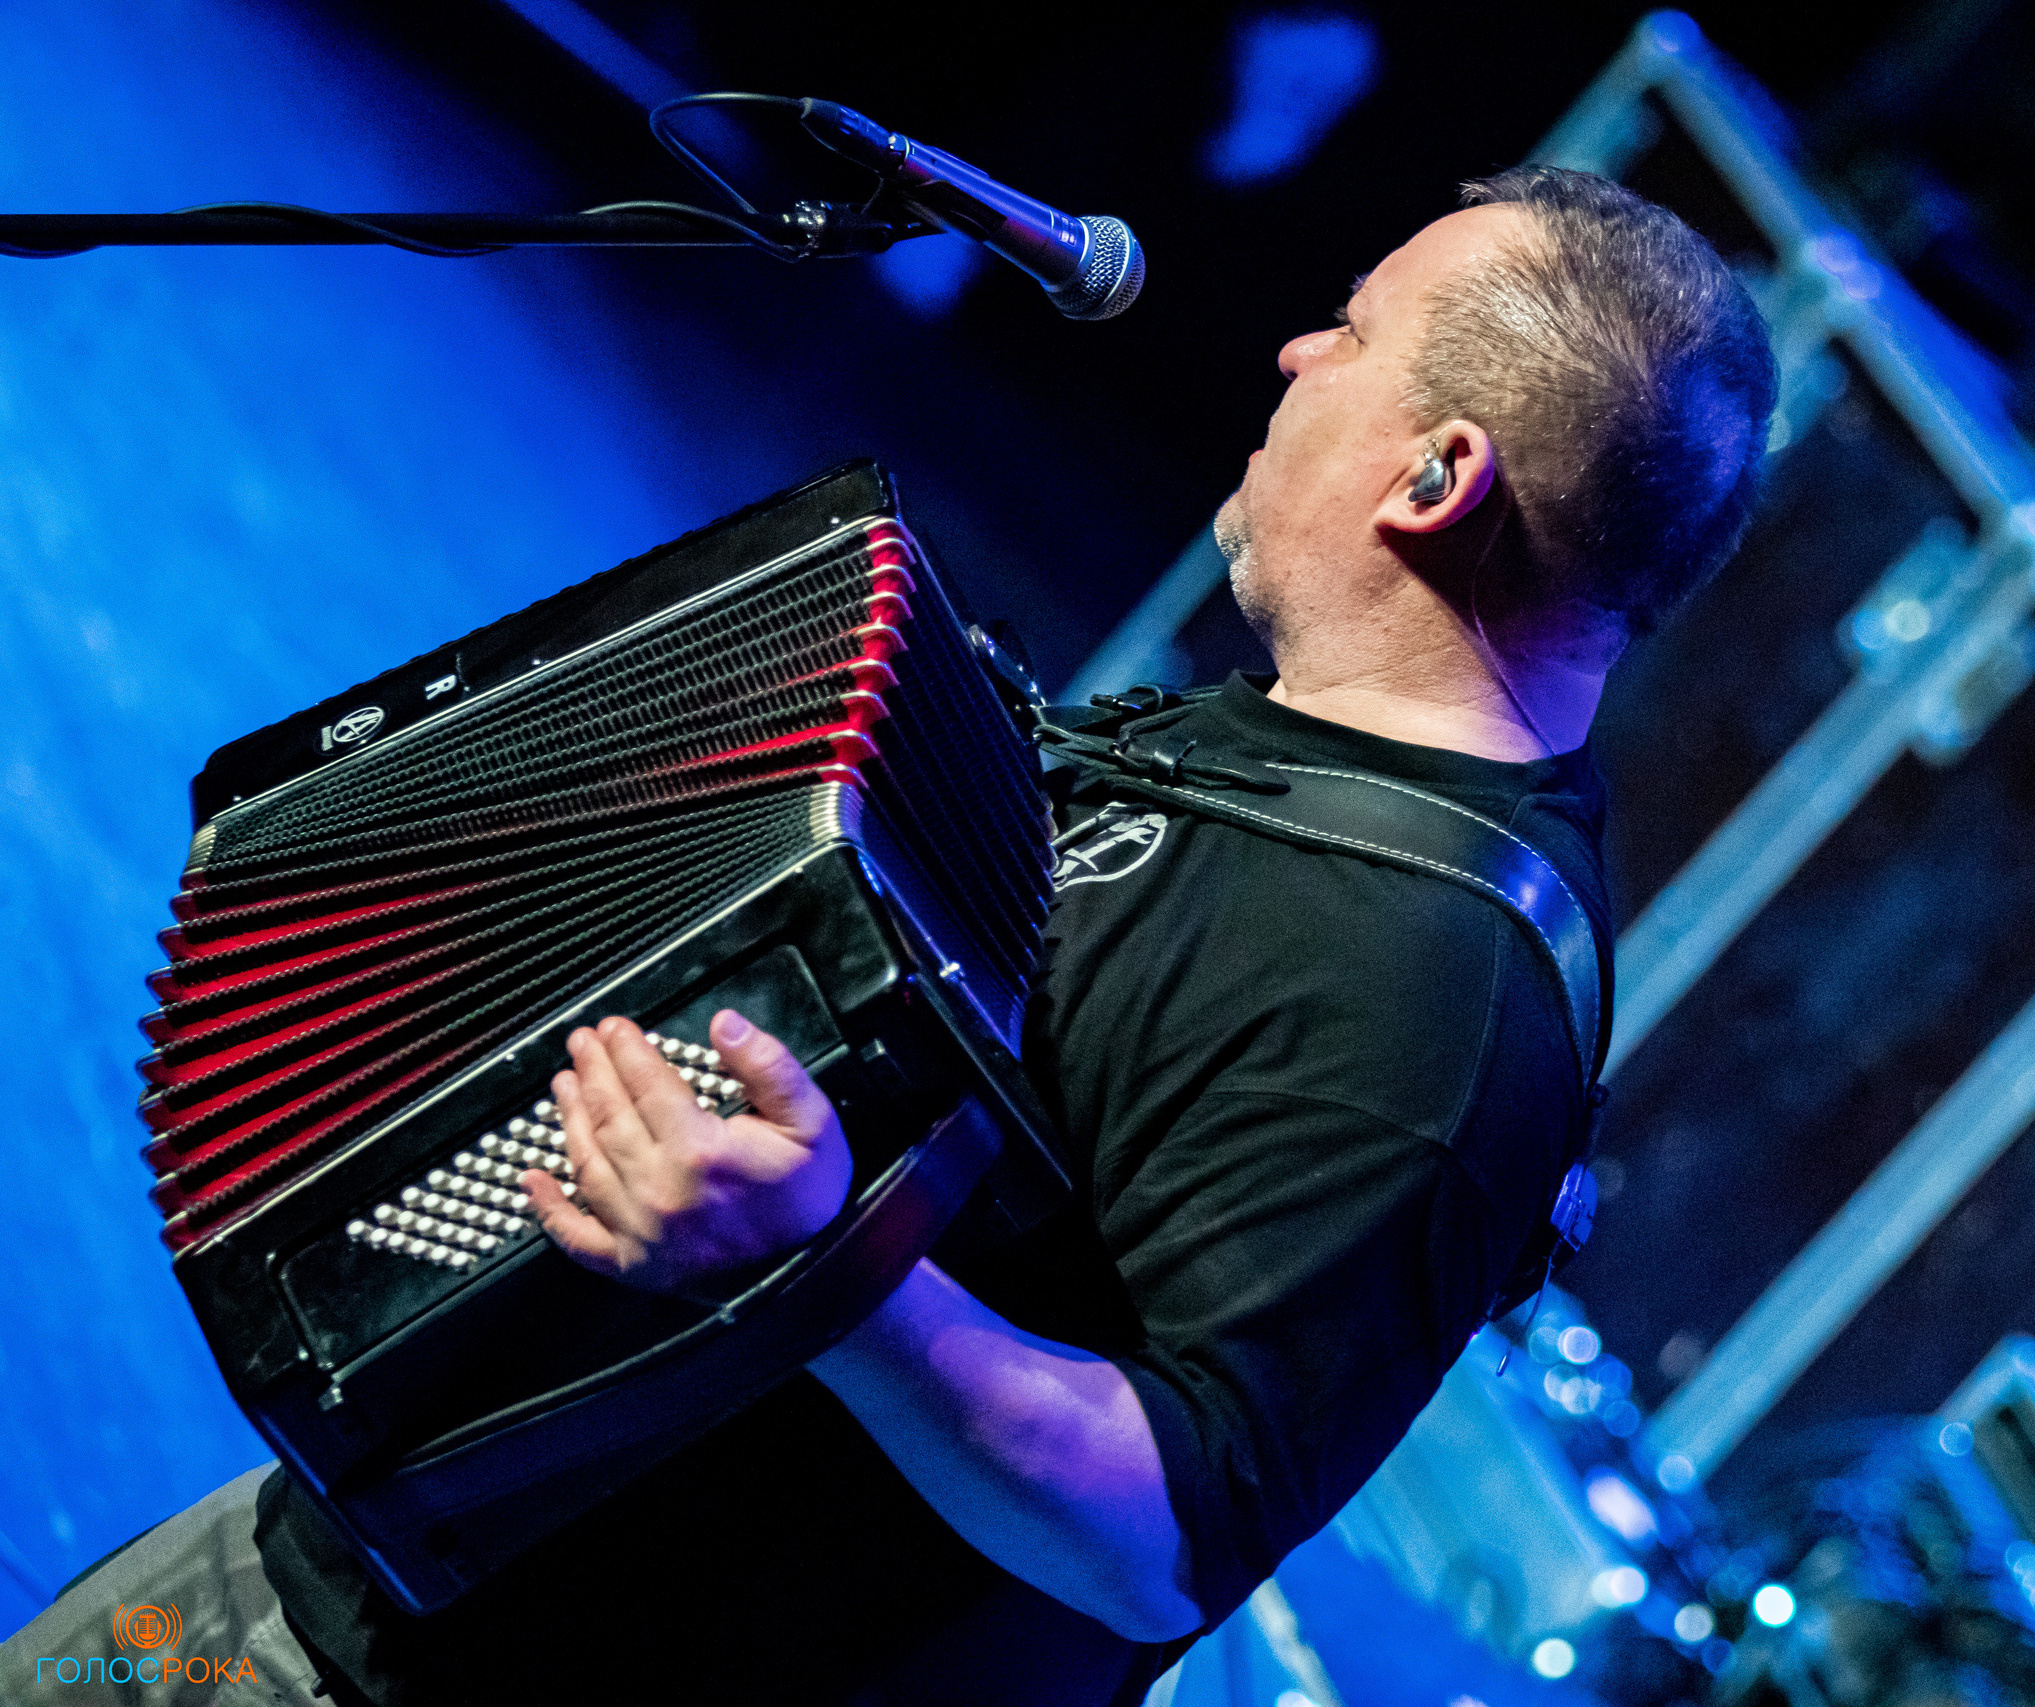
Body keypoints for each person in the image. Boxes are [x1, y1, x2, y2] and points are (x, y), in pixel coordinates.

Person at [3, 165, 1772, 1705]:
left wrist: (833, 1275)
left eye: (1355, 333)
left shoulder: (1434, 992)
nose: (1300, 354)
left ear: (1439, 475)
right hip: (364, 1585)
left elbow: (1165, 1538)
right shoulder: (1275, 758)